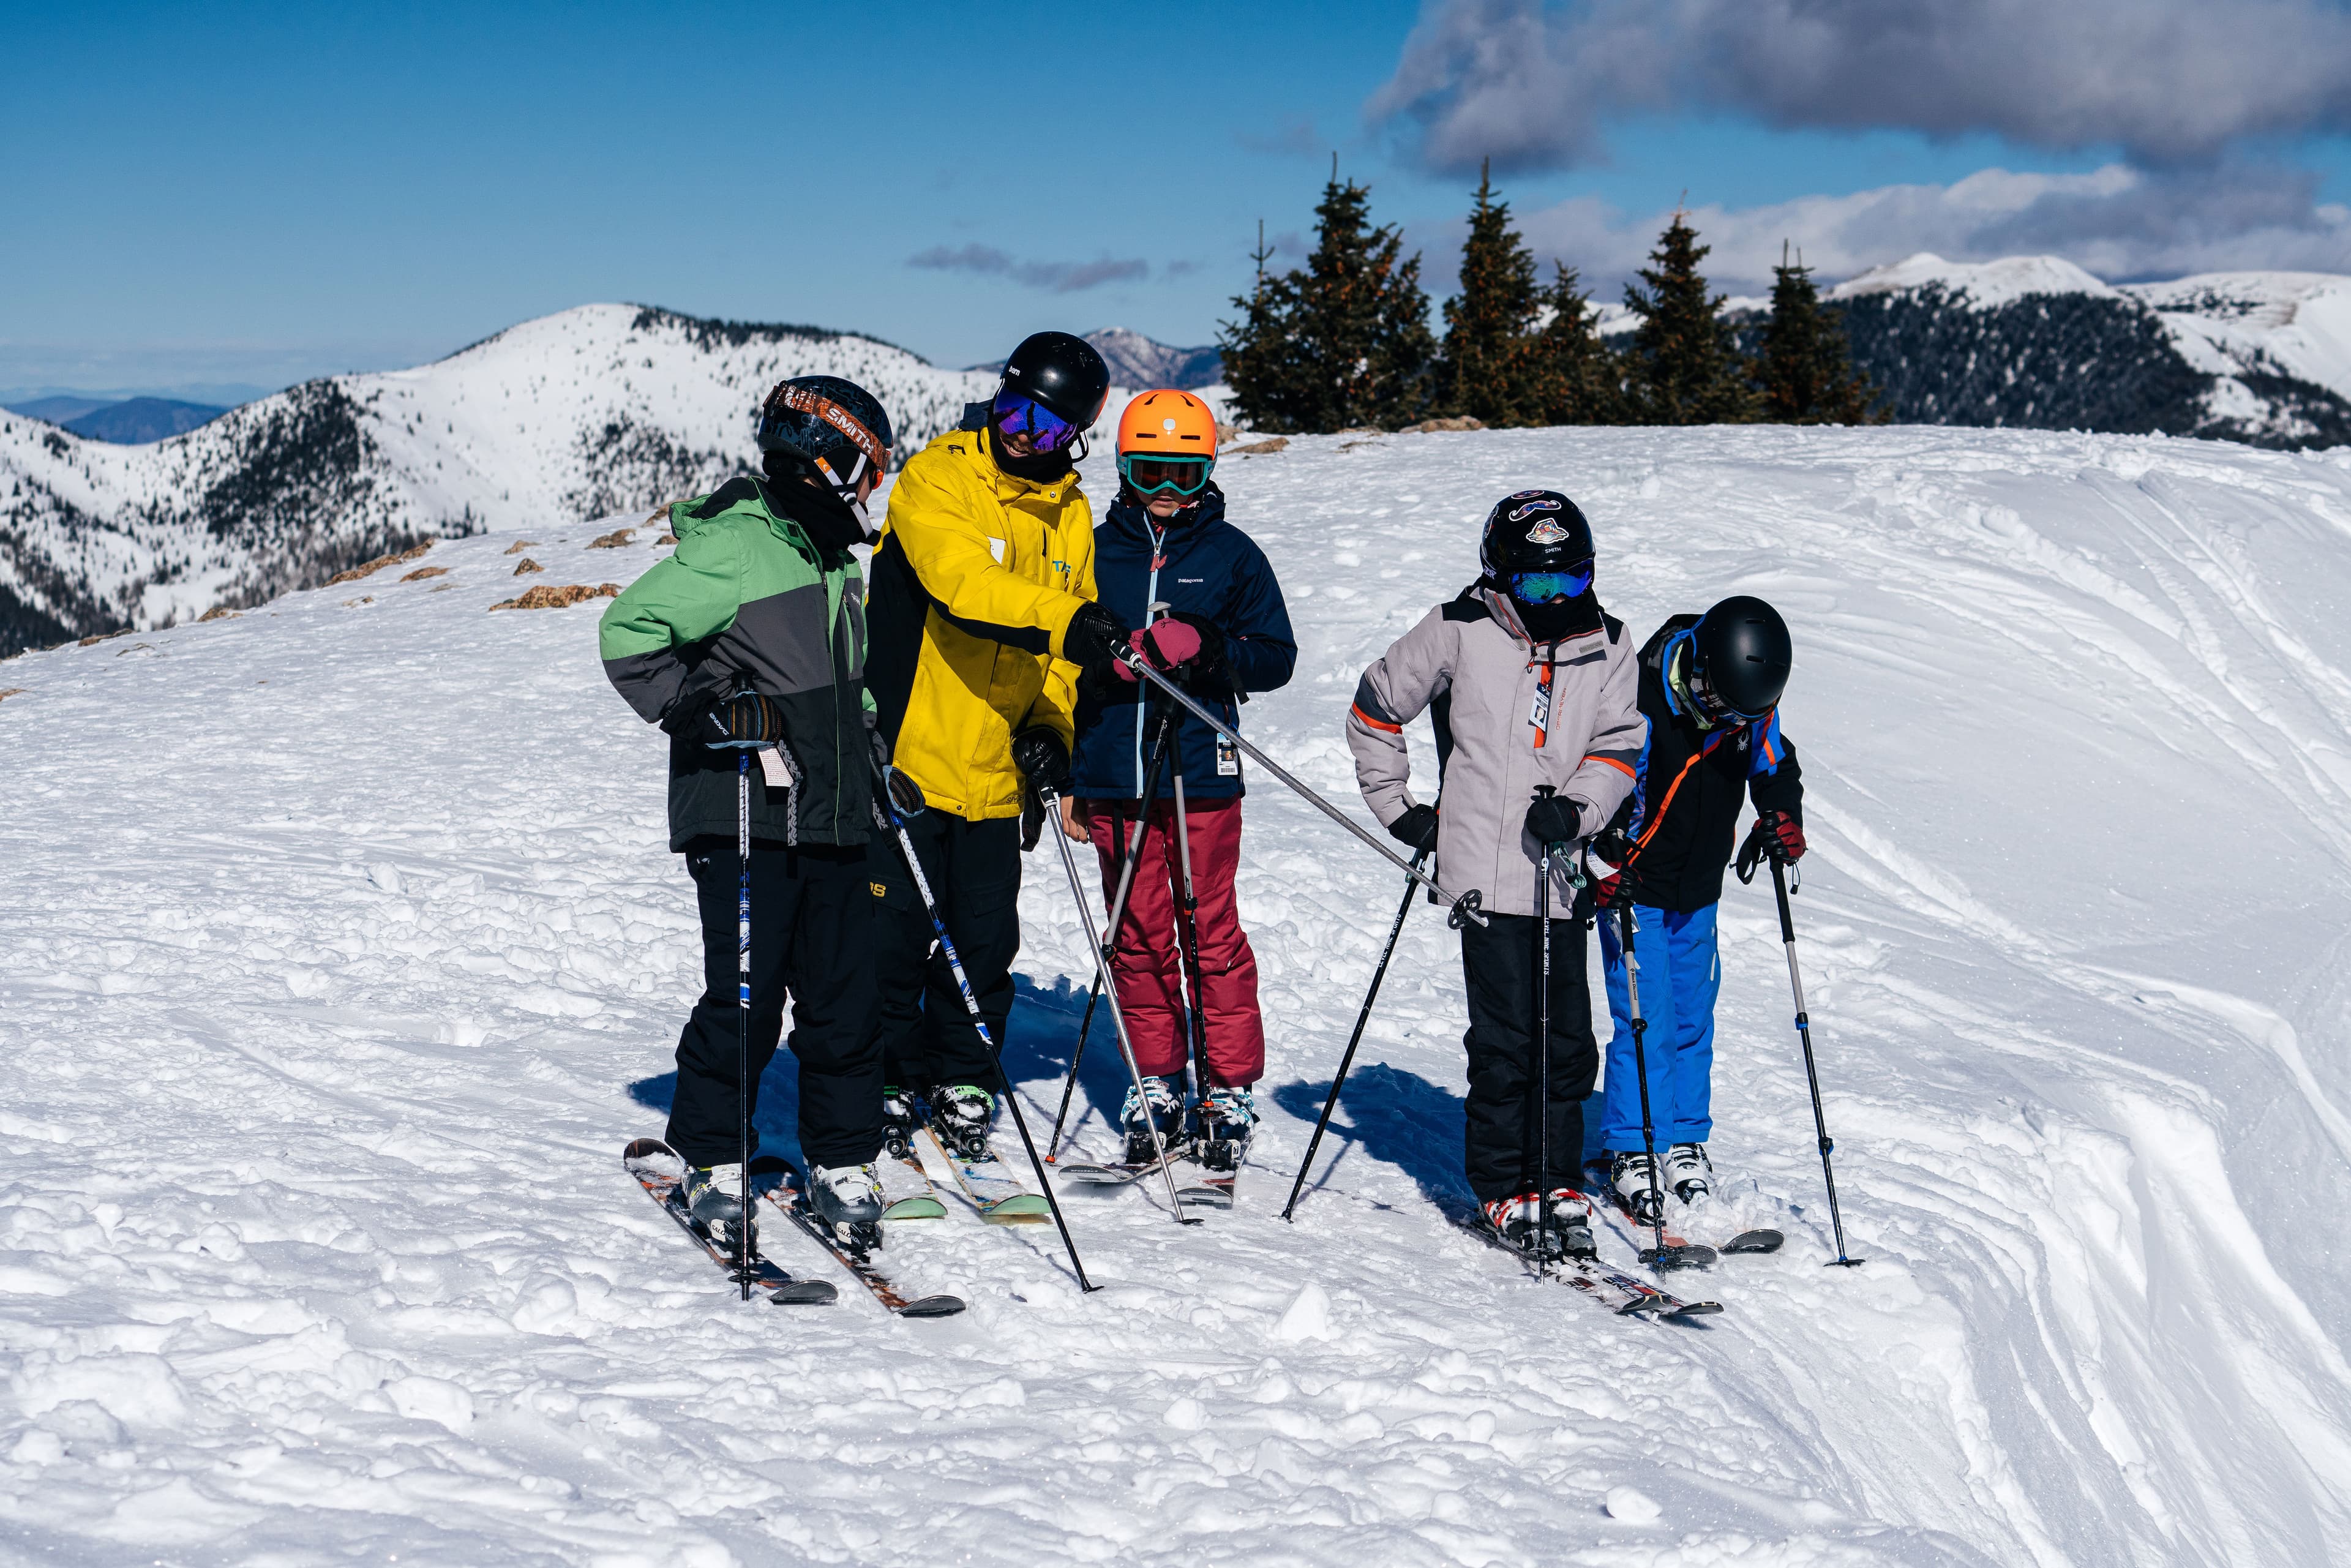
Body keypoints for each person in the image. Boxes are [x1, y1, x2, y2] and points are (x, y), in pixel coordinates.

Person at [598, 375, 900, 1247]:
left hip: (835, 814)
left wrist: (874, 754)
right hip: (743, 811)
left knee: (846, 999)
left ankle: (842, 1161)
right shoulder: (740, 545)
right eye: (867, 469)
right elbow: (628, 631)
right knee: (747, 995)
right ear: (833, 457)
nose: (868, 489)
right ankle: (713, 1156)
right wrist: (702, 704)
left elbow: (848, 692)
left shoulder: (835, 558)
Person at [1345, 490, 1644, 1259]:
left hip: (1563, 871)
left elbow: (1618, 748)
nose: (1555, 599)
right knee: (1509, 1039)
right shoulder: (1459, 628)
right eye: (1537, 584)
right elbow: (1376, 706)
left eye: (1571, 580)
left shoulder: (1608, 642)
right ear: (1498, 574)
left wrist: (1579, 811)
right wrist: (1404, 812)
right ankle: (1505, 1185)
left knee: (1569, 1040)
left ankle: (1558, 1180)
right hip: (1482, 872)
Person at [863, 331, 1138, 1158]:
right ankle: (879, 1078)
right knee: (893, 936)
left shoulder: (1071, 514)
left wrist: (1051, 730)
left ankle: (963, 1077)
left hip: (991, 771)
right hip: (907, 754)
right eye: (1015, 410)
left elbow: (1064, 656)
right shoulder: (939, 477)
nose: (1024, 433)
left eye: (1049, 426)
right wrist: (1068, 619)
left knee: (983, 941)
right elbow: (962, 587)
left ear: (1076, 437)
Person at [1060, 389, 1297, 1163]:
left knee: (1210, 924)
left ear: (1208, 473)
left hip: (1200, 767)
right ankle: (1156, 1073)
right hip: (1111, 771)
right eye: (1152, 469)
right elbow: (1057, 664)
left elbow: (1276, 655)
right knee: (1135, 931)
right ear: (1124, 470)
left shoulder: (1231, 554)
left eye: (1186, 473)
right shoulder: (1092, 551)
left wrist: (1209, 643)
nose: (1168, 488)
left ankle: (1226, 1082)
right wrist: (1069, 772)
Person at [1586, 595, 1803, 1219]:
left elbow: (1774, 762)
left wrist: (1782, 813)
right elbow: (1611, 783)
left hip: (1699, 889)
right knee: (1644, 1014)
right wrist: (1602, 859)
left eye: (1746, 714)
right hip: (1635, 886)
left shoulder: (1746, 703)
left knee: (1691, 1015)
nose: (1732, 723)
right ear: (1700, 670)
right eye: (1724, 708)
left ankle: (1683, 1138)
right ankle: (1631, 1144)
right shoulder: (1643, 697)